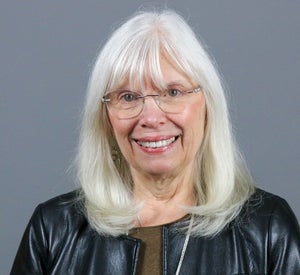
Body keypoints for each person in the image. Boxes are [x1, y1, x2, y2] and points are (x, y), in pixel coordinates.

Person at [11, 10, 300, 275]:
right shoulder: (53, 230)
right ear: (105, 118)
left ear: (207, 106)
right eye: (128, 97)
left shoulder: (268, 229)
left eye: (172, 92)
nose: (151, 117)